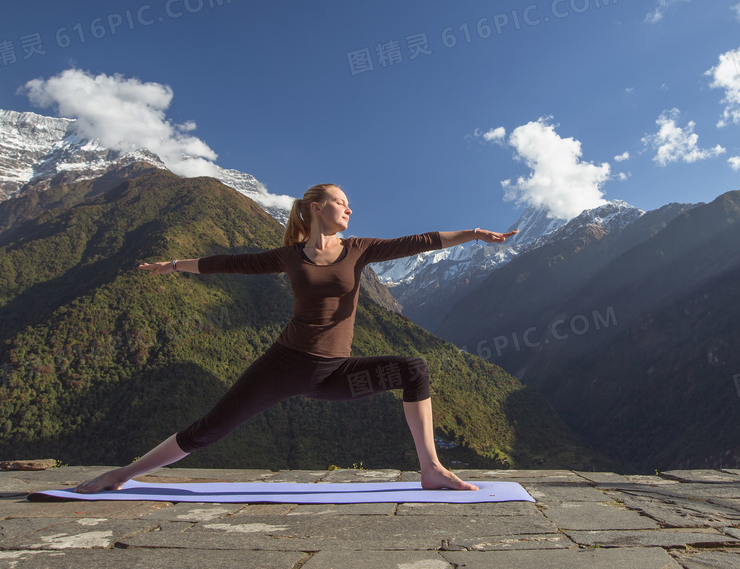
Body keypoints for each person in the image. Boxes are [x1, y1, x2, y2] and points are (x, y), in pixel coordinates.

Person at [75, 183, 516, 493]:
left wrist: (475, 234)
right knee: (209, 430)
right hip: (286, 366)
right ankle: (122, 474)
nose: (349, 210)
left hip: (334, 374)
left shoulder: (360, 249)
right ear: (316, 207)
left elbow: (420, 241)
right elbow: (229, 264)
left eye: (349, 205)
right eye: (341, 202)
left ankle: (432, 468)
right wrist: (172, 266)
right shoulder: (289, 256)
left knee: (412, 370)